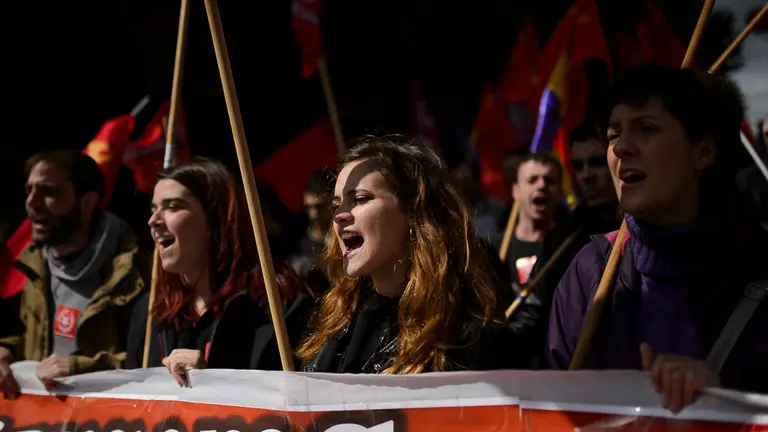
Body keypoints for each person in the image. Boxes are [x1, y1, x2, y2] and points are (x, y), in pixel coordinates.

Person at [547, 64, 768, 413]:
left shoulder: (758, 270)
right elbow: (557, 412)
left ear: (703, 152)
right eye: (613, 133)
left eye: (646, 128)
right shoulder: (589, 272)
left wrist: (729, 403)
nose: (621, 148)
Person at [298, 136, 528, 374]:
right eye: (337, 204)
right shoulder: (338, 323)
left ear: (413, 211)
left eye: (360, 199)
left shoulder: (468, 338)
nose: (339, 216)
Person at [125, 159, 314, 385]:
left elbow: (294, 398)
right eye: (154, 209)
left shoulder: (277, 305)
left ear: (216, 218)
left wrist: (214, 381)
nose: (153, 221)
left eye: (173, 207)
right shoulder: (151, 312)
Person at [0, 151, 148, 399]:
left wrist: (82, 369)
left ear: (88, 202)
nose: (32, 203)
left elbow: (150, 363)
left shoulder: (133, 272)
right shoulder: (34, 265)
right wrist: (6, 351)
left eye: (48, 192)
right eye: (30, 190)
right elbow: (32, 342)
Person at [494, 153, 583, 369]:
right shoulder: (496, 247)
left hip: (556, 365)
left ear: (560, 192)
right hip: (507, 365)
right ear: (516, 190)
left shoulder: (573, 247)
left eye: (550, 181)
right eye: (532, 180)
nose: (541, 186)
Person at [289, 169, 335, 295]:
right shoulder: (300, 247)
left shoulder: (349, 236)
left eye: (320, 206)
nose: (314, 214)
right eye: (309, 207)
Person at [569, 124, 621, 235]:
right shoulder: (565, 233)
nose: (586, 175)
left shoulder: (650, 222)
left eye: (597, 162)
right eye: (578, 166)